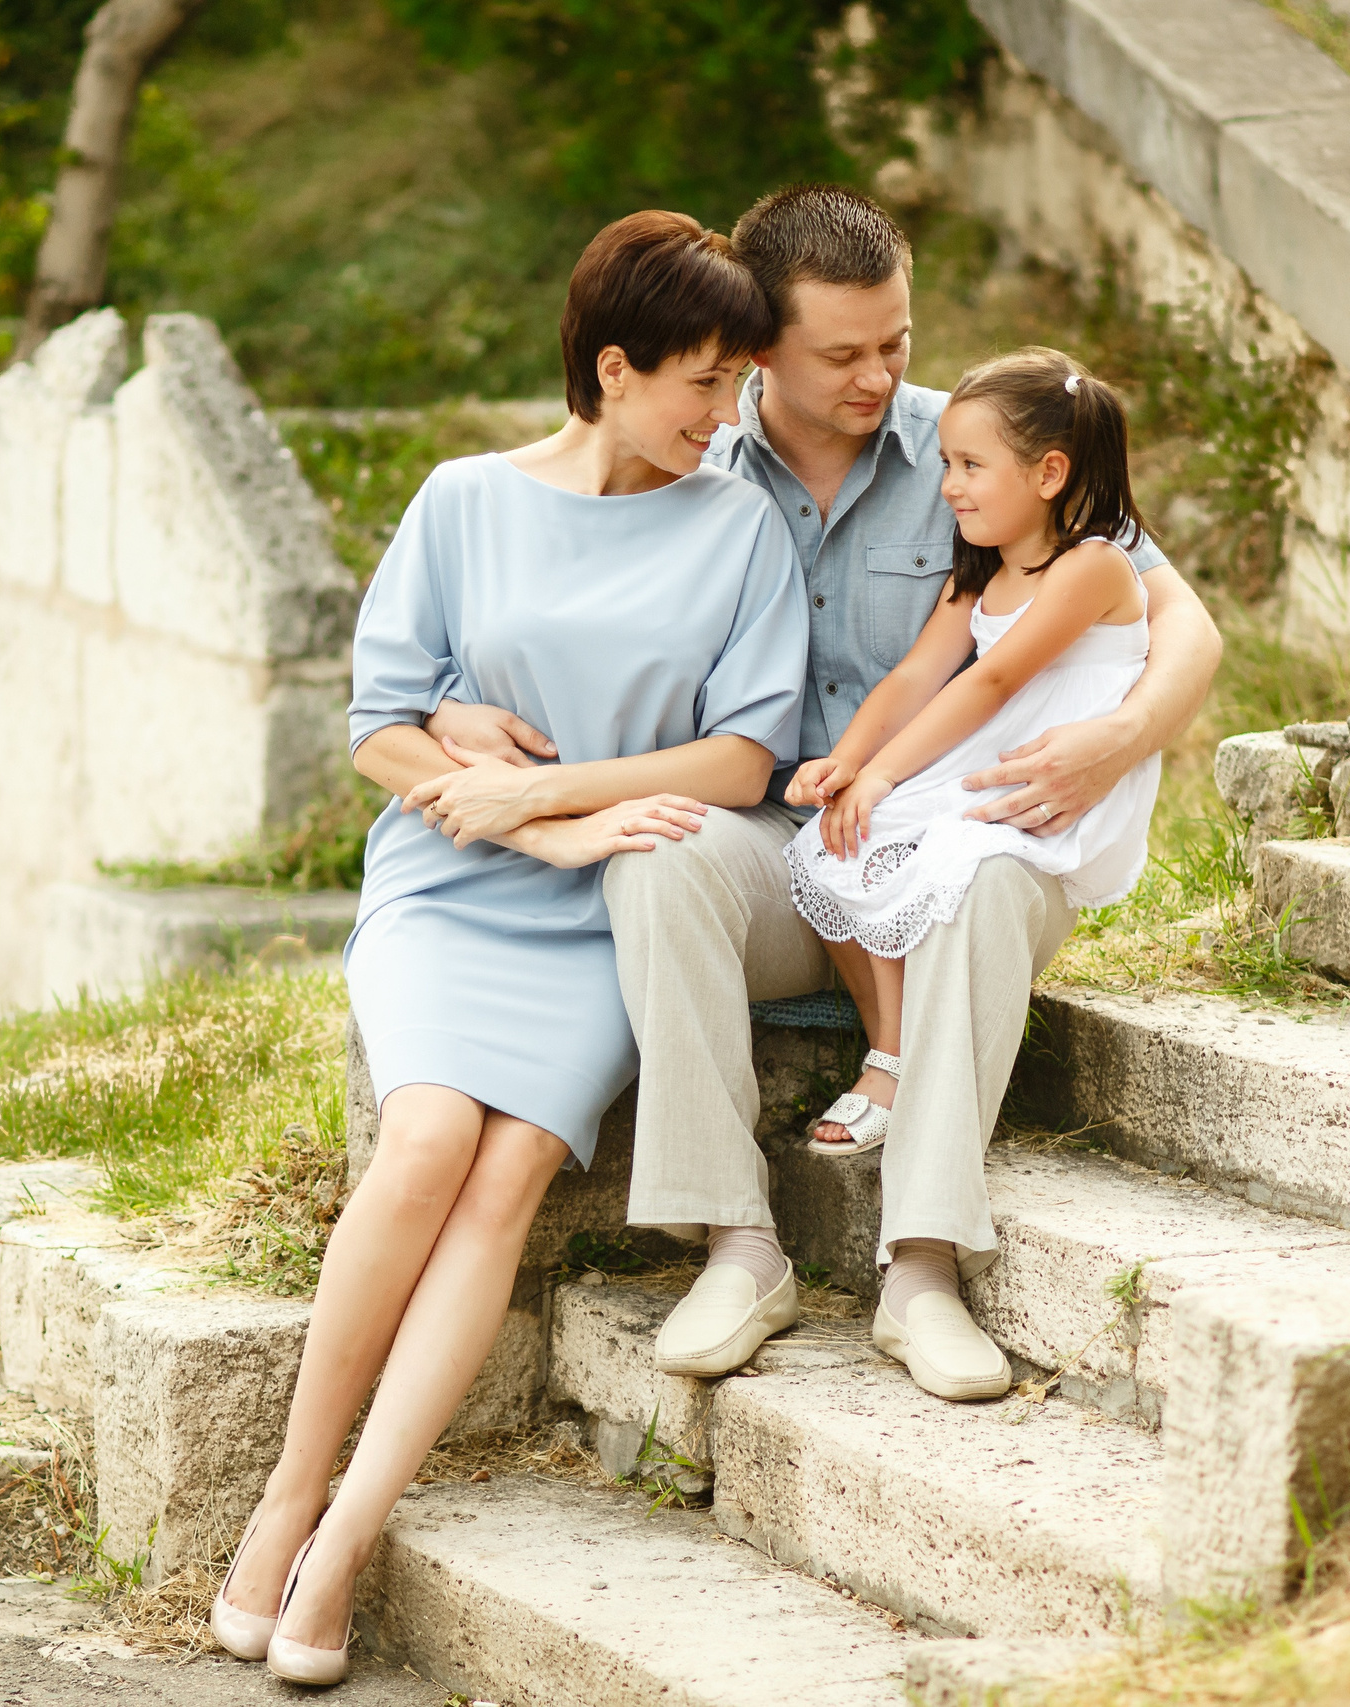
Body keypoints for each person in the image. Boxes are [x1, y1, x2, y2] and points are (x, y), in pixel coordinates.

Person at [430, 185, 1222, 1404]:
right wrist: (442, 712)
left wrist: (1119, 737)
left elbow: (1179, 618)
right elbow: (529, 600)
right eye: (841, 354)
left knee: (990, 874)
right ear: (758, 349)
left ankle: (922, 1269)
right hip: (779, 847)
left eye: (894, 341)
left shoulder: (977, 448)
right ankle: (736, 1246)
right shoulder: (679, 456)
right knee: (661, 856)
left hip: (959, 831)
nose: (877, 374)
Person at [209, 210, 807, 1686]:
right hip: (454, 881)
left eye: (734, 387)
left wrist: (554, 799)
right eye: (702, 384)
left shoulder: (740, 524)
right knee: (422, 1145)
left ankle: (345, 1535)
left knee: (506, 1168)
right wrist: (529, 828)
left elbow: (742, 760)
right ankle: (285, 1492)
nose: (723, 417)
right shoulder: (463, 499)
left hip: (615, 896)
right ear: (613, 367)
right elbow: (383, 729)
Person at [781, 346, 1163, 1395]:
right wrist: (850, 767)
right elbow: (919, 672)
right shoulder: (979, 567)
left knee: (966, 859)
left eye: (967, 467)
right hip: (974, 777)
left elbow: (994, 680)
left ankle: (923, 1262)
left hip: (1037, 802)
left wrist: (891, 770)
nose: (945, 488)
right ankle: (895, 1054)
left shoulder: (1094, 565)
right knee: (830, 850)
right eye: (945, 464)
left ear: (1046, 474)